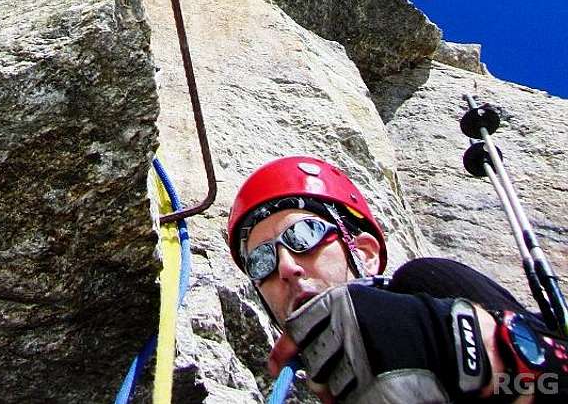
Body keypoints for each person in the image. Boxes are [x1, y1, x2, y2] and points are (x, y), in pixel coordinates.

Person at [226, 155, 568, 402]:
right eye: (261, 261)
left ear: (364, 253)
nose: (286, 266)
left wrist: (465, 345)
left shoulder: (427, 288)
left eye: (304, 234)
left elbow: (557, 378)